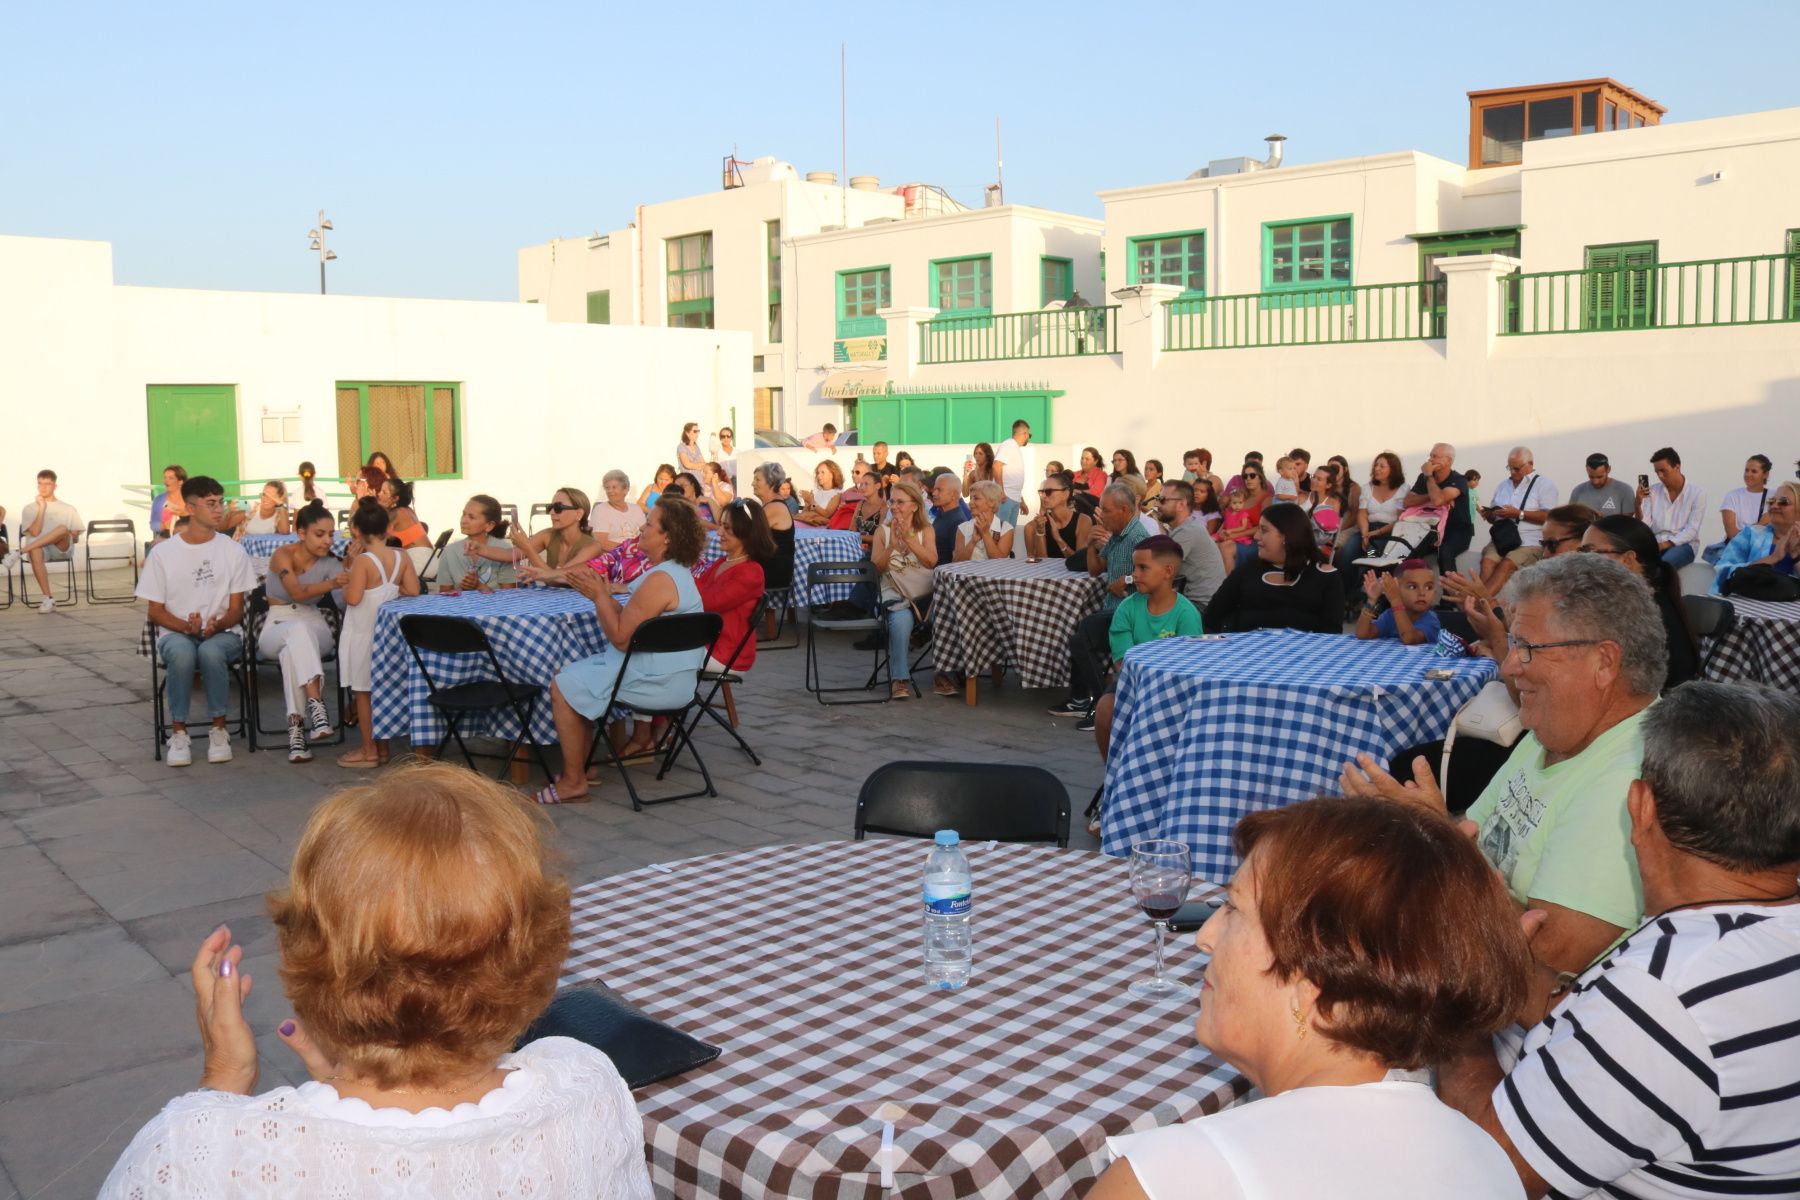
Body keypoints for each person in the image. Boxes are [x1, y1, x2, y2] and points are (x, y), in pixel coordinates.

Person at [99, 762, 653, 1200]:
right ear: (540, 965)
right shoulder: (586, 1085)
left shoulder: (195, 1152)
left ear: (301, 956)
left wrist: (222, 1081)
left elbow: (195, 1170)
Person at [1438, 681, 1800, 1200]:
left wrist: (1458, 1006)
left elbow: (1491, 1170)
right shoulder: (1744, 938)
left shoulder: (1664, 997)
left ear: (1640, 805)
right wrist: (1501, 961)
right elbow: (1614, 1037)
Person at [1092, 797, 1531, 1200]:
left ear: (1315, 973)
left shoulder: (1177, 1177)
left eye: (1232, 909)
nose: (1205, 938)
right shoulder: (1483, 1155)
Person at [1342, 553, 1664, 1025]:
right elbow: (1471, 833)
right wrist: (1430, 831)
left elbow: (1539, 983)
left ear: (1603, 661)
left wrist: (1438, 842)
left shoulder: (1626, 784)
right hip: (1460, 975)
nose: (1511, 665)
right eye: (1512, 644)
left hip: (1504, 1038)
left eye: (1528, 648)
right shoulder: (1553, 733)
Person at [540, 498, 708, 803]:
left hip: (655, 684)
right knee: (573, 673)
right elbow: (635, 621)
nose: (640, 528)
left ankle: (574, 781)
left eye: (648, 524)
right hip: (678, 680)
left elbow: (620, 638)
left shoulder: (660, 580)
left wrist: (599, 596)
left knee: (561, 684)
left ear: (667, 537)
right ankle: (584, 767)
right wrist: (604, 596)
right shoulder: (675, 573)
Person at [135, 475, 257, 766]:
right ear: (190, 509)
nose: (219, 509)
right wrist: (185, 627)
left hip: (223, 632)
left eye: (221, 502)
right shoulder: (163, 553)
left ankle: (218, 728)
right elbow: (156, 611)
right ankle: (178, 733)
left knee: (211, 651)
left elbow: (238, 609)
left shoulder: (233, 550)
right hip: (176, 632)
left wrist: (218, 624)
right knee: (182, 651)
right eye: (211, 503)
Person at [1089, 535, 1202, 757]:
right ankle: (1113, 773)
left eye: (1143, 568)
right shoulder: (1127, 608)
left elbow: (1189, 665)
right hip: (1133, 681)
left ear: (1168, 572)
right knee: (1105, 708)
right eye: (1134, 567)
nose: (1135, 575)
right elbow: (1123, 662)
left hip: (1174, 688)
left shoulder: (1186, 614)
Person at [1048, 484, 1147, 726]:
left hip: (1129, 612)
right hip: (1113, 608)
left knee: (1082, 635)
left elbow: (1158, 572)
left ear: (1124, 509)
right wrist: (1092, 544)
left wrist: (1128, 579)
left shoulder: (1139, 537)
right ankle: (1085, 699)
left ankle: (1101, 703)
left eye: (1106, 510)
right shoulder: (1117, 534)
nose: (1101, 515)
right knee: (1080, 631)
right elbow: (1095, 570)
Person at [261, 502, 349, 762]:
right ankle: (316, 705)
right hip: (277, 622)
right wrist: (332, 582)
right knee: (295, 635)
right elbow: (296, 592)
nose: (327, 540)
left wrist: (350, 570)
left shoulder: (332, 563)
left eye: (331, 534)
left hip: (314, 623)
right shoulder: (282, 555)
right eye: (319, 534)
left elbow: (344, 602)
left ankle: (297, 733)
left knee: (292, 653)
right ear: (301, 533)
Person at [337, 499, 420, 768]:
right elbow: (413, 591)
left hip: (363, 632)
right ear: (389, 528)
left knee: (363, 693)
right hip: (387, 634)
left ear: (357, 531)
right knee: (382, 689)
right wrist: (390, 591)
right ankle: (382, 748)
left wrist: (347, 570)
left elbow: (352, 598)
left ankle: (369, 749)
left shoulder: (363, 561)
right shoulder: (401, 556)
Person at [1581, 514, 1700, 688]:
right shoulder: (1634, 603)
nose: (1580, 561)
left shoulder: (1643, 614)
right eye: (1580, 553)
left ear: (1628, 560)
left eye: (1589, 553)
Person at [1207, 502, 1344, 634]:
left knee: (1352, 551)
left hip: (1305, 655)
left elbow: (1332, 633)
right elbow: (1212, 617)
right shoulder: (1248, 571)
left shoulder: (1325, 577)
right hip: (1250, 653)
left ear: (1287, 536)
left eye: (1264, 530)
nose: (1256, 536)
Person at [871, 480, 937, 701]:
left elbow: (931, 562)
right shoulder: (883, 532)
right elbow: (876, 569)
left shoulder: (925, 530)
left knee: (948, 614)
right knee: (901, 620)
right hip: (893, 593)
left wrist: (909, 540)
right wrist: (892, 546)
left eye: (900, 502)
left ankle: (943, 674)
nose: (894, 506)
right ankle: (899, 678)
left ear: (915, 506)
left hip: (923, 596)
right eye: (892, 501)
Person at [697, 497, 773, 675]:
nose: (719, 532)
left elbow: (707, 603)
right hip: (710, 642)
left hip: (725, 652)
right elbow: (700, 591)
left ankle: (662, 699)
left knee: (656, 651)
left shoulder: (751, 573)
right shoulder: (724, 561)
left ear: (746, 532)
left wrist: (682, 570)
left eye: (727, 528)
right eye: (720, 525)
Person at [1478, 446, 1559, 591]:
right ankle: (1483, 604)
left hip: (1530, 541)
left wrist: (1519, 514)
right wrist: (1491, 515)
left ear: (1531, 464)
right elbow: (1495, 517)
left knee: (1506, 565)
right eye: (1509, 468)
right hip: (1503, 538)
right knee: (1486, 562)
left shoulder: (1544, 484)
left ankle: (1479, 604)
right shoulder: (1503, 485)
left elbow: (1549, 517)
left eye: (1517, 468)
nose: (1512, 472)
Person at [6, 469, 83, 612]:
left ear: (55, 486)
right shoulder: (29, 508)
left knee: (62, 529)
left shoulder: (68, 509)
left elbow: (75, 537)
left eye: (47, 484)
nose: (43, 487)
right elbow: (34, 532)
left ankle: (18, 552)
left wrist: (69, 535)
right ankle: (48, 599)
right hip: (41, 551)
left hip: (61, 549)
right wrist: (42, 508)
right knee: (35, 548)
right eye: (40, 484)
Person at [1711, 479, 1800, 593]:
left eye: (1783, 502)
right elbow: (1723, 571)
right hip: (1744, 604)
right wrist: (1773, 558)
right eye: (1771, 501)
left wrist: (1796, 556)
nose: (1774, 505)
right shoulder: (1751, 534)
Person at [1336, 451, 1407, 590]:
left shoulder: (1403, 489)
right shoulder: (1367, 488)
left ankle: (1366, 595)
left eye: (1382, 466)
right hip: (1368, 530)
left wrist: (1377, 533)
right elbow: (1362, 513)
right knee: (1347, 554)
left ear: (1393, 469)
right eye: (1376, 465)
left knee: (1372, 558)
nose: (1377, 469)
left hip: (1390, 533)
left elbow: (1400, 519)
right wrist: (1365, 534)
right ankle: (1345, 593)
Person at [1157, 479, 1227, 609]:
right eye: (1157, 498)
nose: (1157, 504)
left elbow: (1159, 571)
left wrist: (1127, 580)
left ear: (1181, 504)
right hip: (1198, 601)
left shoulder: (1188, 531)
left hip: (1202, 606)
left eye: (1162, 500)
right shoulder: (1184, 527)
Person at [1405, 442, 1473, 574]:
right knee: (1407, 552)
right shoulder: (1423, 478)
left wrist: (1429, 476)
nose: (1430, 460)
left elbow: (1437, 500)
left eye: (1435, 456)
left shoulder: (1459, 480)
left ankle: (1451, 593)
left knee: (1444, 554)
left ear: (1448, 461)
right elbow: (1407, 502)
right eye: (1430, 456)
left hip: (1457, 531)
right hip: (1430, 530)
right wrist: (1432, 496)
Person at [1636, 446, 1707, 569]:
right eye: (1657, 472)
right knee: (1632, 563)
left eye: (1663, 471)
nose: (1660, 475)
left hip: (1683, 545)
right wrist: (1637, 503)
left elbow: (1692, 529)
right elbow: (1644, 525)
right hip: (1656, 543)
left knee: (1663, 566)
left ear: (1677, 467)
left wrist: (1665, 545)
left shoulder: (1697, 493)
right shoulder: (1652, 491)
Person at [435, 495, 517, 591]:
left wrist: (478, 586)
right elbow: (445, 594)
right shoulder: (450, 551)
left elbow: (509, 596)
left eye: (471, 517)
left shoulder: (504, 551)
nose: (463, 520)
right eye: (463, 514)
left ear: (489, 525)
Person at [508, 487, 598, 573]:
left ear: (579, 513)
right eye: (550, 507)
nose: (551, 512)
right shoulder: (548, 534)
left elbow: (555, 578)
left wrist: (527, 547)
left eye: (558, 508)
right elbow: (509, 555)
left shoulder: (592, 547)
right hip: (551, 589)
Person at [1705, 452, 1773, 563]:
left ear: (1765, 474)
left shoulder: (1773, 496)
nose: (1748, 474)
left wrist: (1745, 531)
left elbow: (1762, 528)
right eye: (1746, 470)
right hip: (1735, 549)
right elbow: (1731, 532)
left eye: (1754, 471)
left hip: (1759, 551)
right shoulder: (1732, 496)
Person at [1355, 558, 1441, 645]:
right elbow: (1362, 634)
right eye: (1412, 587)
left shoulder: (1431, 620)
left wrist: (1395, 599)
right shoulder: (1390, 615)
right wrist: (1371, 600)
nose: (1422, 593)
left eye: (1428, 587)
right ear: (1396, 588)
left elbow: (1409, 638)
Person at [1024, 471, 1092, 562]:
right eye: (1041, 492)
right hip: (1049, 574)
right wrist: (1040, 533)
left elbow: (1080, 562)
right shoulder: (1041, 522)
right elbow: (1043, 563)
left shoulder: (1083, 521)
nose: (1043, 496)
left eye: (1048, 492)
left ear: (1066, 494)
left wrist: (1058, 539)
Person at [953, 479, 1015, 564]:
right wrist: (973, 541)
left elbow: (1000, 563)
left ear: (992, 502)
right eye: (970, 498)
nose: (970, 503)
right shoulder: (963, 528)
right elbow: (956, 563)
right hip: (968, 576)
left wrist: (985, 534)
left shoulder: (1006, 529)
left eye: (976, 498)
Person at [1224, 462, 1272, 566]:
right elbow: (1228, 516)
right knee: (1214, 545)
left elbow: (1262, 526)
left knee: (1225, 548)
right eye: (1245, 476)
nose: (1248, 479)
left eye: (1252, 475)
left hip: (1254, 540)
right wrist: (1221, 532)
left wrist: (1234, 535)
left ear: (1260, 478)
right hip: (1233, 536)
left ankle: (1230, 581)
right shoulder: (1240, 497)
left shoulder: (1266, 498)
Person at [591, 469, 647, 551]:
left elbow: (647, 533)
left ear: (625, 490)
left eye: (614, 487)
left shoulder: (636, 509)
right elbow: (601, 542)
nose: (610, 491)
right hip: (614, 556)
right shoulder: (600, 510)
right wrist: (630, 549)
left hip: (639, 554)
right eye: (607, 488)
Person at [993, 419, 1034, 525]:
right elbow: (996, 466)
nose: (1028, 438)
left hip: (1013, 498)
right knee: (1001, 534)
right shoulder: (1009, 444)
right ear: (1025, 434)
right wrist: (1000, 491)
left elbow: (1013, 480)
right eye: (1029, 435)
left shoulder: (1014, 448)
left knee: (1009, 535)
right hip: (1006, 498)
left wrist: (1022, 501)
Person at [1567, 452, 1634, 518]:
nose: (1595, 482)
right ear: (1586, 470)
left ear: (1609, 470)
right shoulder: (1577, 491)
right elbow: (1570, 520)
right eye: (1591, 477)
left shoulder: (1625, 490)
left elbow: (1627, 523)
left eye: (1600, 477)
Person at [928, 472, 968, 566]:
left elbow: (957, 560)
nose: (934, 493)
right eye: (934, 489)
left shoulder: (958, 521)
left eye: (939, 490)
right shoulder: (942, 513)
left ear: (953, 495)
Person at [376, 476, 427, 549]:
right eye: (380, 490)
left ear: (395, 498)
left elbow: (376, 536)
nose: (379, 494)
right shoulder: (407, 509)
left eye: (384, 492)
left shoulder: (398, 513)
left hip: (419, 557)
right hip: (426, 555)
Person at [796, 460, 846, 526]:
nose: (819, 476)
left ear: (832, 474)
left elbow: (826, 514)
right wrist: (807, 504)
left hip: (820, 525)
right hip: (809, 522)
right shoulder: (816, 492)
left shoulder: (837, 494)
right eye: (818, 473)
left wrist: (811, 501)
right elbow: (805, 514)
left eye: (823, 472)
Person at [150, 464, 188, 537]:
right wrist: (164, 525)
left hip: (188, 538)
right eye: (165, 478)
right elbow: (153, 525)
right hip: (165, 538)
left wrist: (184, 514)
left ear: (180, 482)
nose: (166, 481)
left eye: (171, 478)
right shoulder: (159, 500)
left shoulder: (190, 499)